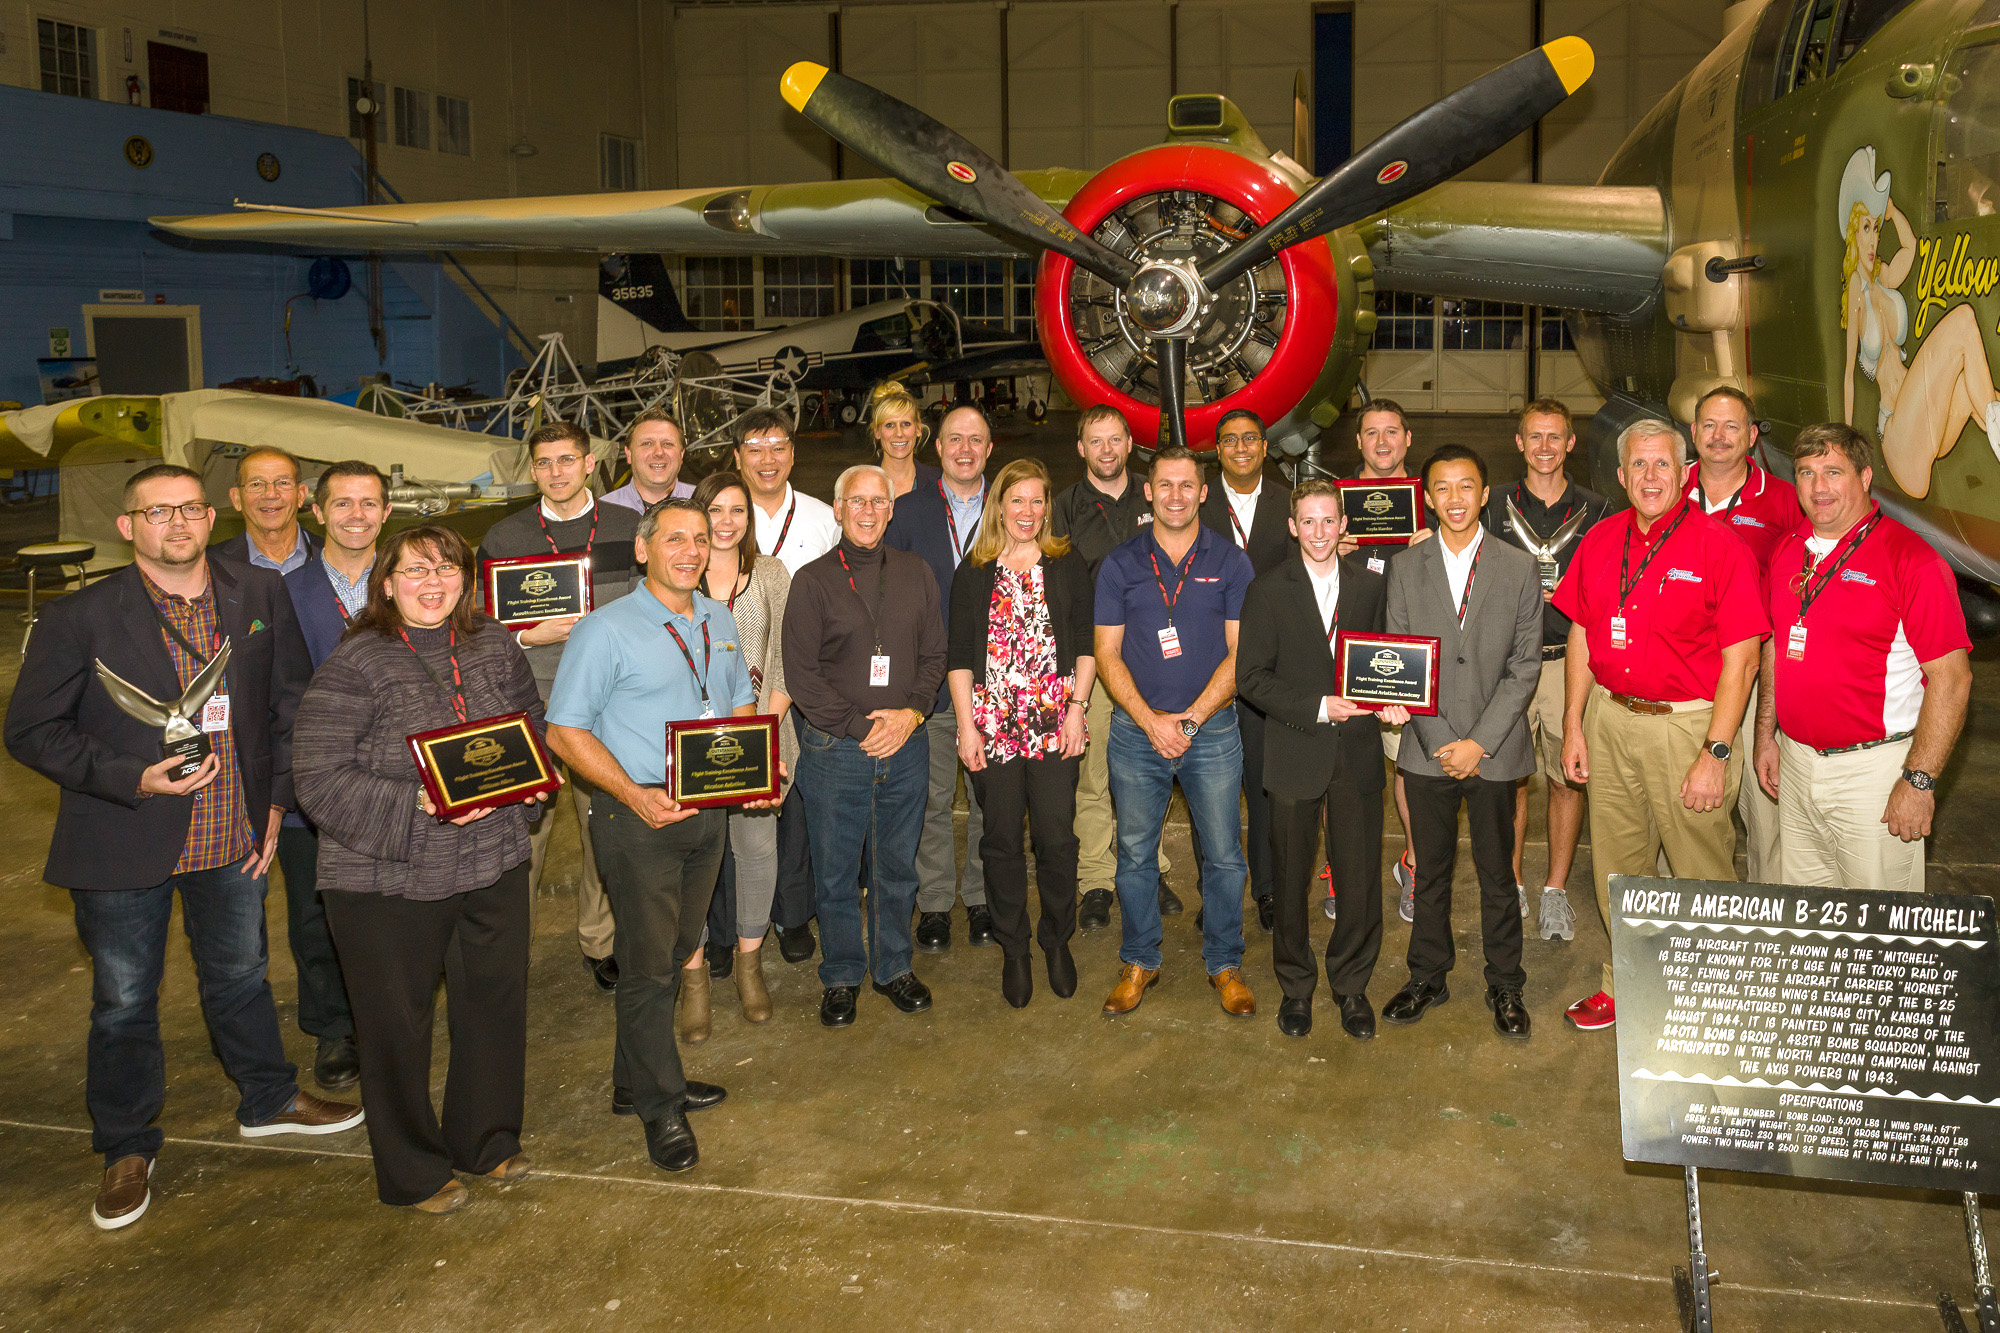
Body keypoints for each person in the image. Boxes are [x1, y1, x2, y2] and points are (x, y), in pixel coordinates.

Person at [6, 463, 360, 1232]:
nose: (177, 524)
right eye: (157, 512)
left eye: (190, 509)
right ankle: (127, 1145)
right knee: (124, 1001)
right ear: (127, 525)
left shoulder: (256, 595)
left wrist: (274, 801)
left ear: (210, 518)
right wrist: (131, 775)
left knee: (242, 975)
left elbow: (287, 704)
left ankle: (267, 1096)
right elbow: (30, 729)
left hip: (230, 835)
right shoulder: (82, 615)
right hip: (124, 839)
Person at [296, 525, 546, 1213]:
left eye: (447, 569)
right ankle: (413, 1169)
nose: (432, 583)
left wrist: (532, 784)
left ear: (468, 579)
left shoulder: (493, 644)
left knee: (494, 1003)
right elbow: (316, 777)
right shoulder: (357, 662)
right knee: (395, 1026)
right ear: (386, 582)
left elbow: (531, 724)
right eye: (415, 571)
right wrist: (421, 802)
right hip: (387, 877)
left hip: (493, 858)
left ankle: (486, 1139)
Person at [548, 500, 768, 1174]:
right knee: (645, 967)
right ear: (643, 550)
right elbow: (564, 730)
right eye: (675, 538)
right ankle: (661, 1103)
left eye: (700, 539)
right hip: (636, 820)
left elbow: (734, 702)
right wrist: (634, 795)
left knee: (673, 950)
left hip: (706, 815)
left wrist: (749, 759)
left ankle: (632, 1079)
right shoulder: (605, 630)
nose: (691, 550)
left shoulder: (718, 617)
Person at [1552, 419, 1768, 1033]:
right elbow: (1580, 634)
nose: (1650, 477)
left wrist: (1716, 752)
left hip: (1686, 728)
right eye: (1638, 466)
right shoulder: (1600, 541)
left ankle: (1715, 997)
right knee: (1619, 869)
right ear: (1621, 477)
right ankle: (1626, 986)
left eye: (1663, 465)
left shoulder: (1718, 547)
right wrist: (1574, 725)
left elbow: (1744, 658)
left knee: (1701, 868)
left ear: (1684, 473)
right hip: (1611, 720)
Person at [1754, 422, 1972, 892]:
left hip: (1872, 773)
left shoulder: (1911, 560)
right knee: (1809, 920)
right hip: (1795, 762)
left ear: (1866, 477)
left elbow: (1952, 681)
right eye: (1806, 473)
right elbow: (1777, 645)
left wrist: (1918, 780)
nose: (1818, 487)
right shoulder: (1789, 549)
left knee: (1879, 934)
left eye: (1833, 472)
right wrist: (1765, 735)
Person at [476, 420, 642, 994]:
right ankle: (510, 952)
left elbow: (656, 602)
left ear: (590, 464)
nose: (556, 473)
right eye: (544, 463)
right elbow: (478, 621)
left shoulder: (629, 527)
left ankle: (600, 941)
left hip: (610, 703)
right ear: (533, 471)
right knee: (525, 830)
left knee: (603, 824)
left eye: (567, 460)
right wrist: (528, 637)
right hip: (534, 700)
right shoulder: (504, 537)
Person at [1237, 481, 1407, 1040]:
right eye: (1307, 522)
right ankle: (1295, 987)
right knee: (1288, 879)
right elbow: (1251, 679)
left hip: (1356, 750)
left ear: (1342, 526)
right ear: (1293, 526)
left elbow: (1387, 660)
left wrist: (1394, 699)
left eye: (1327, 521)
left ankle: (1351, 985)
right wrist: (1316, 707)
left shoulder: (1368, 586)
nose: (1318, 532)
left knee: (1358, 877)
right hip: (1294, 748)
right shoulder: (1267, 590)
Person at [1384, 446, 1543, 1040]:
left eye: (1466, 486)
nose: (1455, 498)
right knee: (1432, 872)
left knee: (1499, 873)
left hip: (1495, 751)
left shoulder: (1516, 566)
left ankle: (1506, 982)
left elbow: (1525, 667)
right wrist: (1443, 738)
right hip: (1428, 748)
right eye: (1443, 488)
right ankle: (1428, 973)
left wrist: (1477, 742)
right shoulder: (1407, 567)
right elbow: (1402, 662)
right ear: (1427, 496)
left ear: (1484, 495)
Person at [781, 464, 945, 1027]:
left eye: (879, 501)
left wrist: (911, 714)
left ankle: (893, 966)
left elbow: (934, 658)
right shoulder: (812, 580)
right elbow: (801, 675)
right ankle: (843, 975)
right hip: (835, 752)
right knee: (836, 873)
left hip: (907, 744)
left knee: (897, 867)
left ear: (892, 508)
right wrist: (859, 727)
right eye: (858, 502)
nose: (869, 511)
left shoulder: (916, 572)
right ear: (838, 508)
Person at [1095, 446, 1256, 1018]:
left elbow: (1242, 656)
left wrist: (1188, 720)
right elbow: (1107, 655)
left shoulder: (1231, 562)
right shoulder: (1119, 564)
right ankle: (1140, 959)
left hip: (1211, 732)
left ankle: (1224, 962)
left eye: (1187, 486)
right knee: (1135, 853)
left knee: (1223, 855)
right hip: (1137, 734)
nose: (1176, 496)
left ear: (1203, 492)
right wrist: (1152, 722)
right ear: (1148, 491)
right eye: (1165, 485)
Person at [947, 459, 1094, 1007]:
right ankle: (1015, 947)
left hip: (1056, 721)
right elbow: (960, 656)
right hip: (994, 725)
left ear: (1046, 507)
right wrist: (967, 728)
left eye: (1037, 501)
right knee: (1001, 839)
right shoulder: (975, 570)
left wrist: (1077, 708)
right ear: (999, 507)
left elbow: (1084, 642)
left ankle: (1057, 939)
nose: (1027, 512)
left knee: (1057, 837)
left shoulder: (1066, 561)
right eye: (1017, 501)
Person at [275, 460, 392, 1092]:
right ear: (315, 512)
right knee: (314, 910)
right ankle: (333, 1027)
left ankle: (388, 1019)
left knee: (393, 905)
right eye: (342, 503)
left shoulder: (413, 583)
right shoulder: (282, 593)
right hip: (312, 782)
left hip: (400, 779)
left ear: (386, 513)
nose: (356, 515)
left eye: (368, 503)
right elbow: (275, 692)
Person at [1482, 399, 1611, 939]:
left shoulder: (1600, 510)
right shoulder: (1492, 509)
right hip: (1507, 666)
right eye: (1533, 437)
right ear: (1519, 443)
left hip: (1566, 665)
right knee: (1510, 780)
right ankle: (1511, 883)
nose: (1543, 447)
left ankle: (1555, 889)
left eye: (1554, 437)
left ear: (1570, 444)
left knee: (1565, 780)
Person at [1049, 404, 1178, 931]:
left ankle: (1149, 869)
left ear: (1130, 444)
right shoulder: (1063, 508)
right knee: (1093, 776)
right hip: (1093, 656)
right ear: (1081, 449)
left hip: (1155, 657)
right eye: (1095, 441)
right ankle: (1098, 878)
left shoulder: (1158, 493)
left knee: (1152, 771)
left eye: (1115, 440)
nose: (1106, 450)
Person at [685, 470, 795, 1030]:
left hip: (761, 738)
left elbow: (786, 655)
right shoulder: (678, 573)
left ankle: (751, 963)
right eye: (715, 510)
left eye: (738, 512)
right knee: (692, 856)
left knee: (756, 851)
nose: (726, 523)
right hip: (690, 750)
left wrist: (764, 737)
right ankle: (696, 973)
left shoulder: (771, 574)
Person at [1681, 386, 1800, 883]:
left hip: (1748, 671)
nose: (1719, 436)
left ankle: (1767, 916)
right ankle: (1680, 910)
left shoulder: (1782, 500)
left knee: (1762, 802)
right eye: (1709, 425)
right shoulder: (1665, 484)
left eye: (1732, 426)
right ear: (1693, 432)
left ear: (1751, 436)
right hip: (1681, 673)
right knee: (1683, 800)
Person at [737, 407, 841, 966]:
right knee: (743, 803)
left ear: (793, 455)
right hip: (747, 687)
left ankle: (794, 913)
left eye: (777, 446)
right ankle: (737, 921)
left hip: (814, 684)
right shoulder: (724, 517)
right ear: (737, 458)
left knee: (800, 805)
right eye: (755, 448)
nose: (767, 458)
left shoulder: (825, 517)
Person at [888, 403, 993, 952]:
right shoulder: (907, 512)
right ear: (939, 448)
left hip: (995, 683)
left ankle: (978, 899)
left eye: (975, 440)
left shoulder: (1012, 505)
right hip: (928, 681)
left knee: (986, 798)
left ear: (989, 450)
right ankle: (933, 904)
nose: (965, 450)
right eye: (955, 439)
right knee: (929, 798)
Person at [1198, 408, 1295, 933]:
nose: (1240, 448)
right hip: (1206, 667)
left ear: (1264, 446)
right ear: (1218, 449)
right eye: (1230, 440)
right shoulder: (1196, 500)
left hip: (1268, 671)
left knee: (1262, 786)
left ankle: (1267, 888)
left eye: (1250, 439)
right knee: (1207, 789)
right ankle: (1213, 893)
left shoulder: (1288, 504)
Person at [1333, 399, 1429, 923]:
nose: (1383, 442)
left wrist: (1434, 548)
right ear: (1359, 442)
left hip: (1406, 658)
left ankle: (1412, 864)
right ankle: (1337, 867)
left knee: (1410, 767)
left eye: (1393, 432)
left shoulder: (1432, 504)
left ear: (1408, 439)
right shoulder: (1336, 505)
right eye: (1372, 433)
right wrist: (1327, 549)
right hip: (1345, 655)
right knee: (1338, 767)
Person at [214, 446, 321, 574]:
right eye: (256, 484)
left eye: (283, 483)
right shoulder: (211, 566)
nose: (270, 494)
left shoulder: (338, 557)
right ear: (236, 499)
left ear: (301, 495)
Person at [601, 409, 696, 514]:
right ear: (629, 454)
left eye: (668, 444)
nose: (659, 452)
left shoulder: (706, 503)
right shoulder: (602, 512)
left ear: (681, 454)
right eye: (647, 443)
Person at [869, 379, 936, 498]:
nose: (899, 433)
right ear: (877, 432)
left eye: (906, 424)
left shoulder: (939, 483)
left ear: (918, 429)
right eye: (890, 425)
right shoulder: (861, 485)